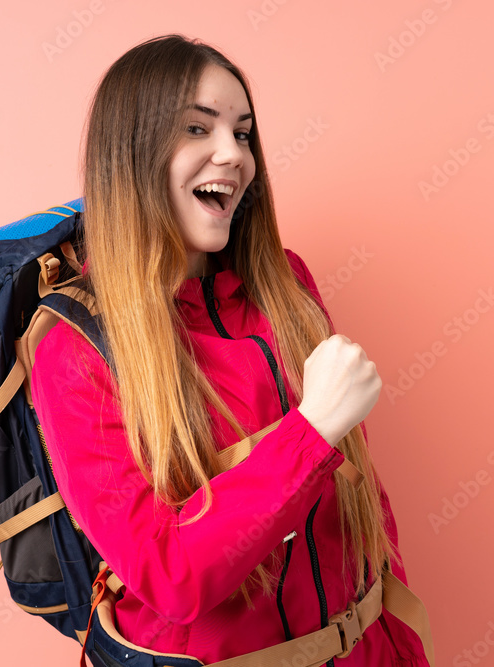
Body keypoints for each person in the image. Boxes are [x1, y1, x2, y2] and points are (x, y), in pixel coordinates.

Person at [30, 34, 429, 666]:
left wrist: (398, 647)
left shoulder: (285, 282)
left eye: (243, 134)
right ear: (133, 154)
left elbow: (361, 499)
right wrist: (313, 430)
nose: (233, 155)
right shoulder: (75, 351)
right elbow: (169, 575)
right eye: (197, 128)